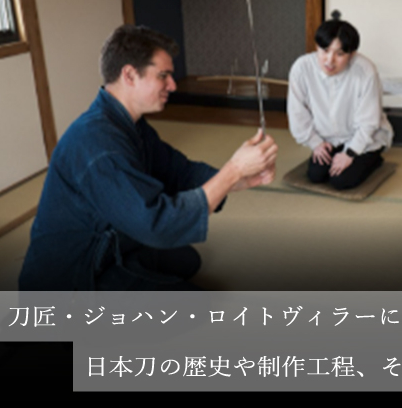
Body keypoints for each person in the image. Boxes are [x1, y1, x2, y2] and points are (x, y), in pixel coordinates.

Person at [19, 25, 278, 291]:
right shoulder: (97, 144)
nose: (173, 85)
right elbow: (156, 224)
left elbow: (178, 171)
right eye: (163, 76)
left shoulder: (128, 124)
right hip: (74, 277)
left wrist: (239, 179)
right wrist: (233, 171)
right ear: (130, 75)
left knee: (186, 260)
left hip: (110, 243)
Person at [287, 17, 393, 190]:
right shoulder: (302, 68)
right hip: (328, 139)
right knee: (316, 175)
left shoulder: (365, 71)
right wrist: (315, 143)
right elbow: (297, 113)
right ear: (316, 46)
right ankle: (339, 155)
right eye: (324, 50)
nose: (329, 61)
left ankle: (374, 158)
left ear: (352, 54)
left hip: (363, 138)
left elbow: (368, 122)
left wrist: (350, 153)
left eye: (340, 54)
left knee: (340, 180)